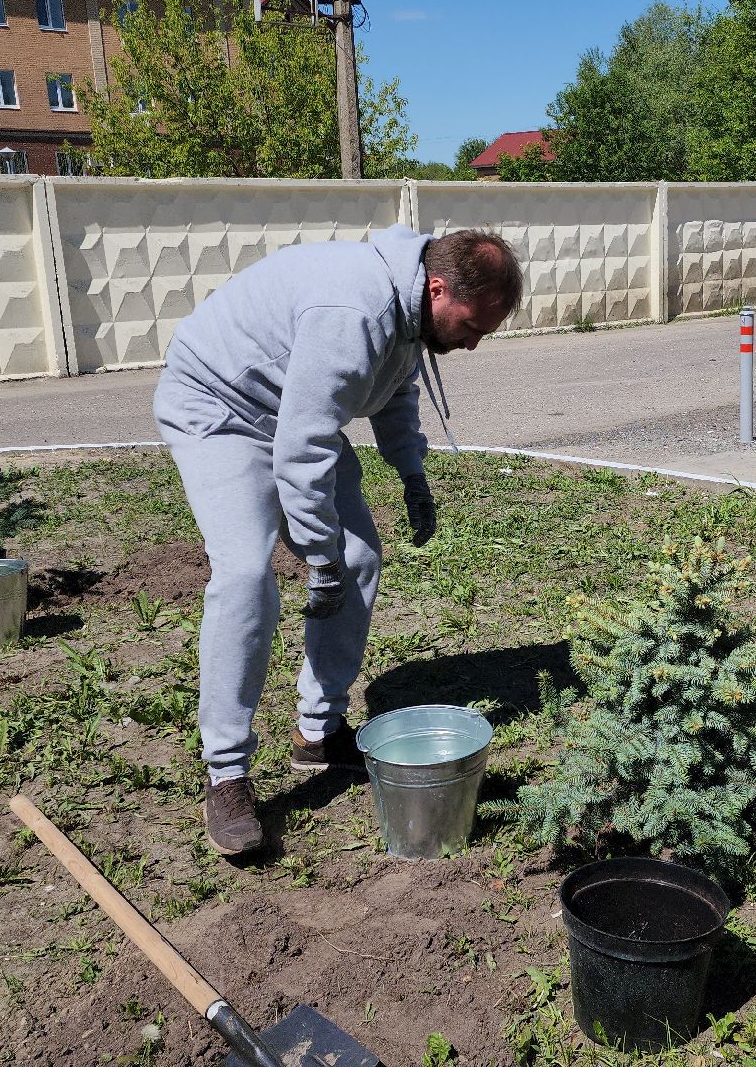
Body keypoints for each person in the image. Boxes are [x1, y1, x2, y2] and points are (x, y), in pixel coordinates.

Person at [153, 226, 522, 856]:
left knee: (358, 559)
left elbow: (395, 391)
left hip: (290, 410)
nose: (472, 344)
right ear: (437, 288)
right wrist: (316, 553)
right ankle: (226, 773)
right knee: (245, 573)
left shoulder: (409, 313)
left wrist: (412, 475)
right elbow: (304, 447)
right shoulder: (354, 311)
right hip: (220, 407)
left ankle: (318, 733)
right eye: (470, 326)